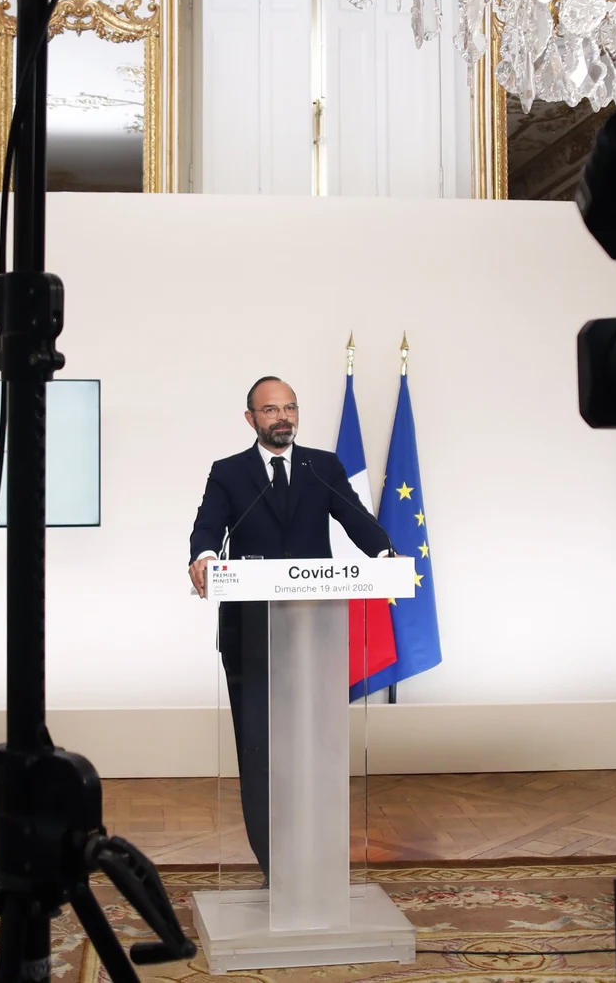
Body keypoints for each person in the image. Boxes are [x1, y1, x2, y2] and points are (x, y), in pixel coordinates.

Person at [187, 376, 393, 881]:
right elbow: (207, 526)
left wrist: (386, 556)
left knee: (312, 746)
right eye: (271, 409)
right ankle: (274, 863)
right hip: (251, 633)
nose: (283, 418)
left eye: (290, 408)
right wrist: (205, 556)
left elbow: (353, 518)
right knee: (259, 750)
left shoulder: (321, 467)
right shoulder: (229, 473)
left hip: (313, 630)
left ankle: (315, 856)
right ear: (251, 418)